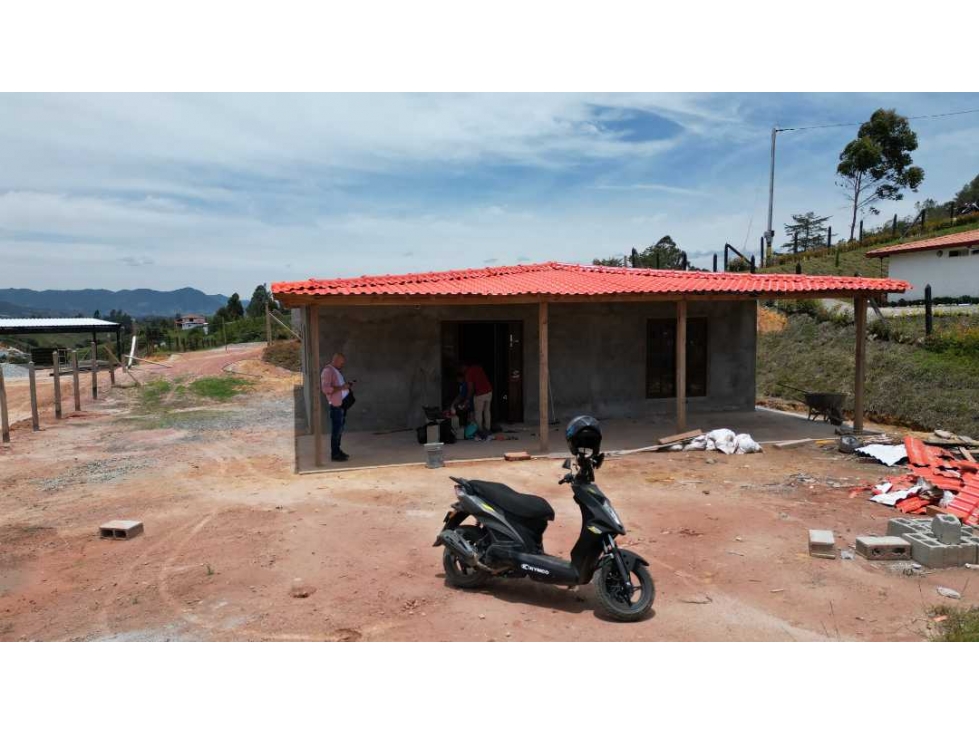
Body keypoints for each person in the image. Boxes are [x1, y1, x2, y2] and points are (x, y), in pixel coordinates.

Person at [321, 352, 354, 462]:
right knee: (336, 430)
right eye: (341, 362)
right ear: (335, 360)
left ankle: (337, 450)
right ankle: (335, 454)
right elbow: (326, 389)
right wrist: (342, 387)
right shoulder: (327, 371)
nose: (342, 364)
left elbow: (338, 387)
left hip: (341, 405)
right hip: (336, 406)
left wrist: (346, 387)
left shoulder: (335, 371)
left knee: (339, 430)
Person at [462, 360, 493, 434]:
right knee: (487, 411)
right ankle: (487, 429)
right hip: (489, 391)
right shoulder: (478, 367)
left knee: (478, 413)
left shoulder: (468, 373)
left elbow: (471, 389)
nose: (461, 370)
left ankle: (480, 430)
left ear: (464, 366)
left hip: (480, 394)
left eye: (461, 368)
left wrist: (467, 400)